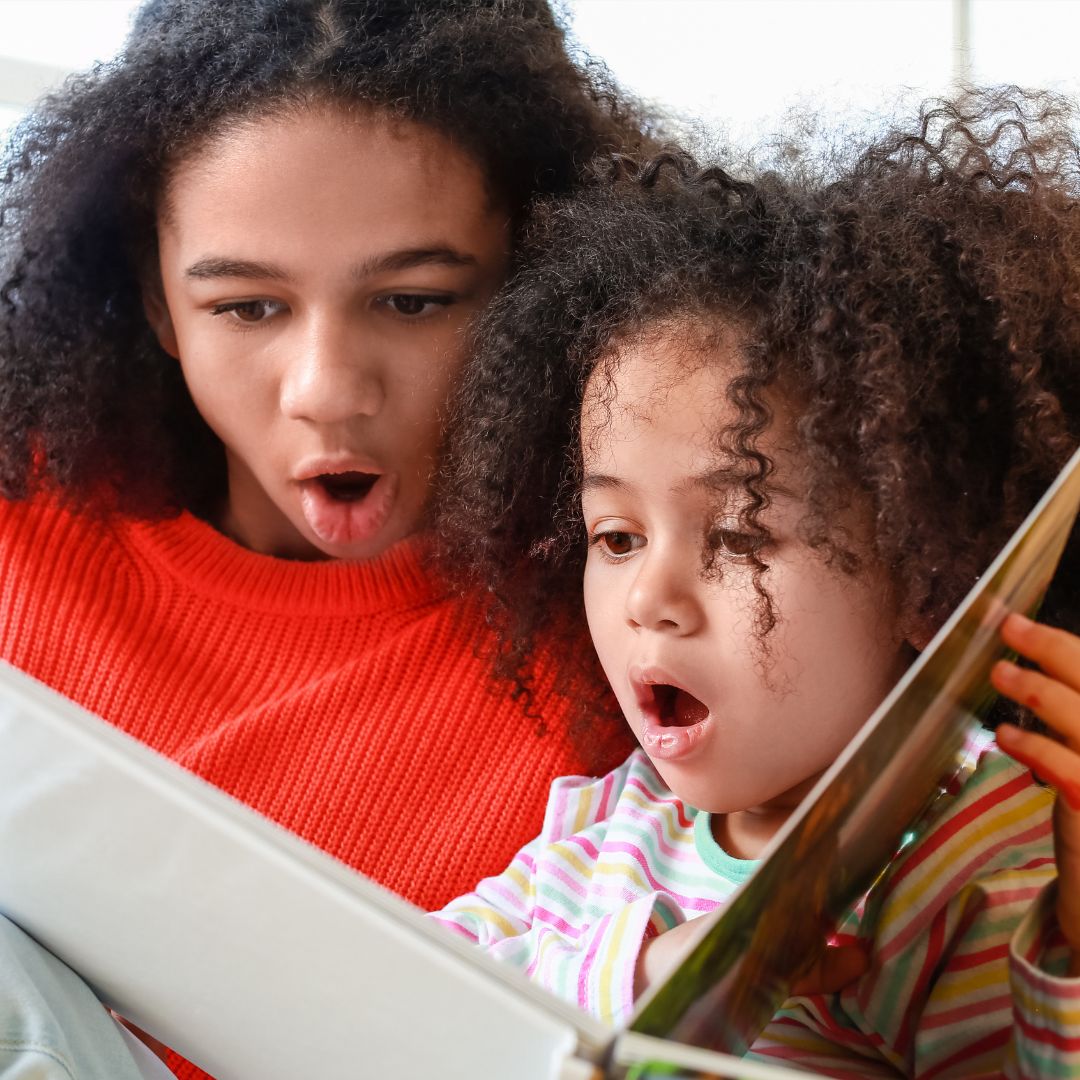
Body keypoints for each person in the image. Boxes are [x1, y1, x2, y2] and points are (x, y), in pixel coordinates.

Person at [0, 1, 644, 1076]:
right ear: (158, 304)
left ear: (541, 286)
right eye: (247, 309)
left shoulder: (628, 630)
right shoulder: (25, 514)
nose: (327, 392)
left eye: (412, 300)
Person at [429, 92, 1080, 1075]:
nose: (651, 597)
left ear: (926, 578)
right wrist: (650, 975)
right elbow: (418, 1001)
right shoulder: (612, 832)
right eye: (614, 535)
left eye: (734, 535)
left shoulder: (969, 860)